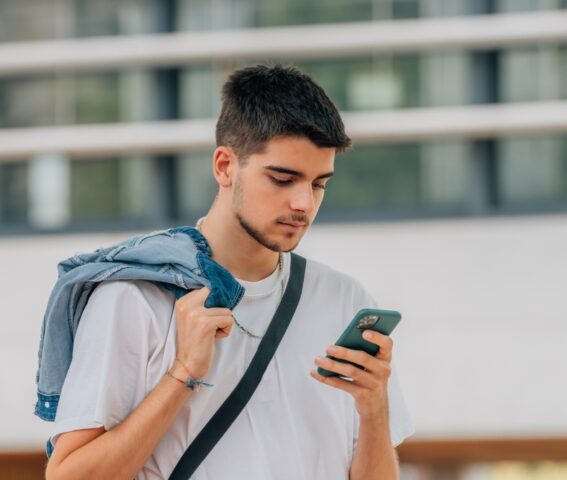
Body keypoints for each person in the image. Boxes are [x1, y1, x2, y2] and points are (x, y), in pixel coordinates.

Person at [44, 64, 413, 480]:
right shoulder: (137, 297)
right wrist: (183, 372)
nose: (304, 204)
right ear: (224, 166)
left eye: (318, 184)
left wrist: (374, 411)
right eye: (283, 179)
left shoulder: (346, 300)